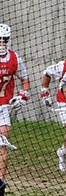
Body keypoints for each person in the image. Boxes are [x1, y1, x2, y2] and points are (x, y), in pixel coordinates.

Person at [42, 54, 66, 177]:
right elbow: (47, 73)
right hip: (64, 102)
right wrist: (45, 93)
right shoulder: (64, 64)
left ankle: (63, 151)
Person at [0, 24, 30, 184]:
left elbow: (25, 79)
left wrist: (22, 96)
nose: (2, 44)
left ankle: (1, 182)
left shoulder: (15, 59)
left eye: (5, 40)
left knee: (3, 144)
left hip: (4, 106)